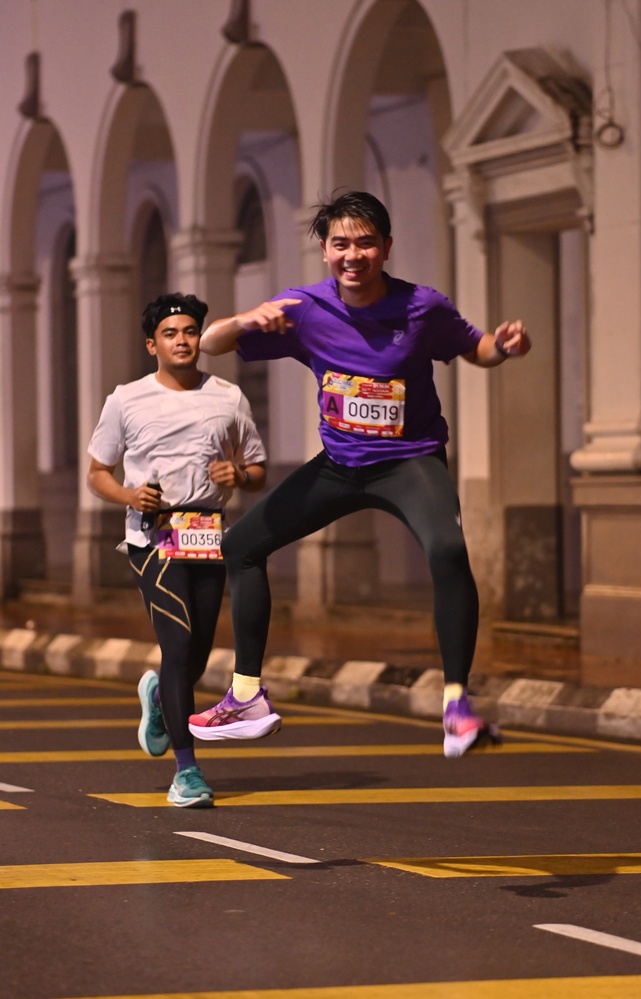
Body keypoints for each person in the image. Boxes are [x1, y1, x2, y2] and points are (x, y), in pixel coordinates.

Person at [187, 191, 531, 757]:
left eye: (366, 243)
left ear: (386, 247)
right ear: (325, 250)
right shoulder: (304, 309)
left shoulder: (421, 307)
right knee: (241, 546)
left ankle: (456, 708)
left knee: (448, 549)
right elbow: (210, 343)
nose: (354, 255)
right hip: (340, 466)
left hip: (409, 461)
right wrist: (246, 318)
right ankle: (246, 696)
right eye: (341, 244)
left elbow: (478, 347)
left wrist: (505, 346)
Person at [86, 292, 269, 806]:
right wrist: (128, 495)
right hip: (154, 535)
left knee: (197, 654)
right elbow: (97, 472)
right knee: (179, 643)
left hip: (209, 534)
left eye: (190, 332)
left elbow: (257, 469)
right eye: (170, 334)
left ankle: (159, 696)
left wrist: (239, 475)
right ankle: (186, 771)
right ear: (153, 345)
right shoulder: (126, 399)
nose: (182, 341)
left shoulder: (228, 397)